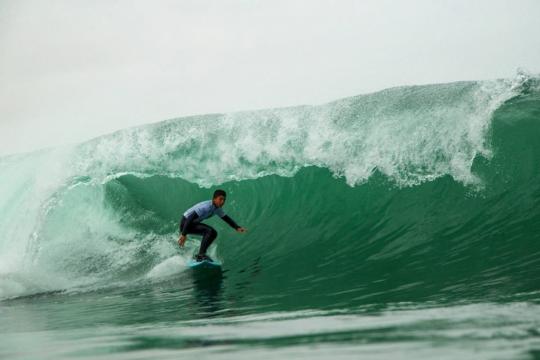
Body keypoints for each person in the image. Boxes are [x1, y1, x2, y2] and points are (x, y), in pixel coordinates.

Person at [178, 189, 246, 261]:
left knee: (213, 233)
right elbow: (190, 217)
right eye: (220, 199)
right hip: (185, 223)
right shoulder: (206, 206)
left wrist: (237, 227)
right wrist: (183, 234)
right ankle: (201, 255)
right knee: (209, 231)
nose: (222, 202)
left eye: (224, 200)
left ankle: (201, 254)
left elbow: (226, 218)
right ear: (214, 199)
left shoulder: (217, 208)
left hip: (192, 224)